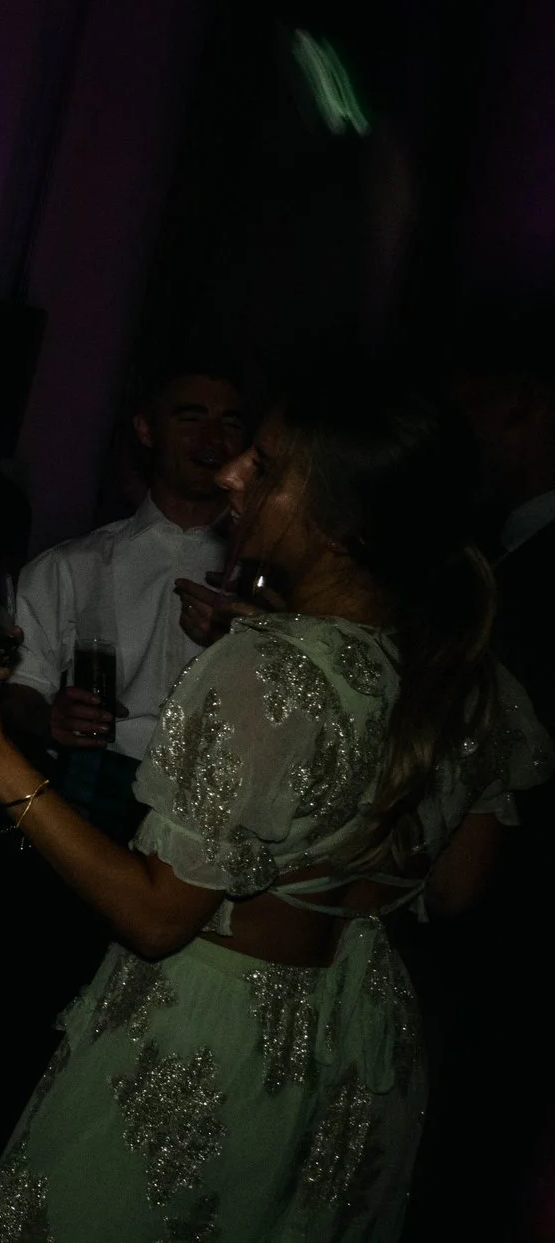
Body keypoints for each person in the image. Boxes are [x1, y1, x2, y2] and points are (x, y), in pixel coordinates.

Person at [0, 372, 552, 1243]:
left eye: (264, 465)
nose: (232, 474)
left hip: (214, 1036)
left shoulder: (269, 668)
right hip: (352, 1028)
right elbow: (453, 889)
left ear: (337, 519)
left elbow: (156, 916)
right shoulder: (471, 675)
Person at [0, 366, 246, 1243]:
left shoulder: (266, 589)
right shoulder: (72, 564)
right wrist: (42, 715)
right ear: (145, 429)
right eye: (190, 413)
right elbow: (20, 691)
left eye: (228, 420)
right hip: (79, 817)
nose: (211, 434)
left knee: (146, 1079)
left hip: (207, 848)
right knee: (8, 1059)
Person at [397, 324, 555, 1236]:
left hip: (501, 929)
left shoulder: (524, 576)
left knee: (460, 1161)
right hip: (490, 927)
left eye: (465, 416)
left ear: (518, 406)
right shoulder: (498, 551)